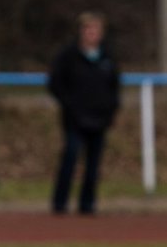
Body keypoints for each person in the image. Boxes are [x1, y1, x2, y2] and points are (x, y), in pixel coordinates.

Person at [47, 11, 121, 215]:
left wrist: (110, 111)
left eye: (96, 29)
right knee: (70, 158)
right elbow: (55, 84)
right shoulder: (68, 56)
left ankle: (87, 205)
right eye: (88, 29)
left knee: (93, 165)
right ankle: (59, 204)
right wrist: (70, 106)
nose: (92, 33)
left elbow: (115, 87)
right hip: (74, 119)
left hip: (99, 119)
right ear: (81, 31)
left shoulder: (107, 57)